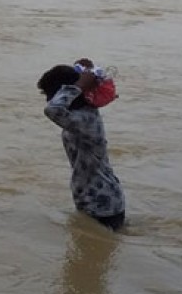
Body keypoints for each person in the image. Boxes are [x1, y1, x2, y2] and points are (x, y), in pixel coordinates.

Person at [37, 64, 125, 231]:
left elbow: (52, 109)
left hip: (102, 204)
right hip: (94, 197)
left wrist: (79, 85)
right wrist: (83, 75)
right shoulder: (80, 114)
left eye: (50, 94)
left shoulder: (84, 119)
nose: (48, 99)